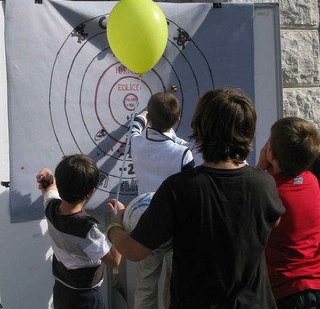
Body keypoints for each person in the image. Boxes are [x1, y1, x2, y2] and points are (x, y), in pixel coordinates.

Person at [106, 88, 285, 309]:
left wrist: (114, 224)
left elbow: (134, 251)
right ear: (249, 132)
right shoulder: (264, 184)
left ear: (198, 129)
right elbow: (274, 220)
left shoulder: (178, 189)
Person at [129, 91, 195, 309]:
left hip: (147, 223)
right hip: (176, 229)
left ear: (149, 118)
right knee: (173, 287)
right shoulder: (184, 153)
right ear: (177, 120)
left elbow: (135, 126)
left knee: (146, 286)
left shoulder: (136, 144)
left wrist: (144, 113)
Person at [36, 154, 122, 309]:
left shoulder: (50, 207)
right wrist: (118, 224)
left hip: (62, 288)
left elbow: (49, 189)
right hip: (86, 297)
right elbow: (114, 260)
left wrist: (47, 175)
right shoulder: (88, 229)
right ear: (90, 192)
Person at [256, 116, 320, 309]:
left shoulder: (266, 188)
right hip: (314, 285)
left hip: (284, 291)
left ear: (272, 154)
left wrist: (260, 167)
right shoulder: (312, 182)